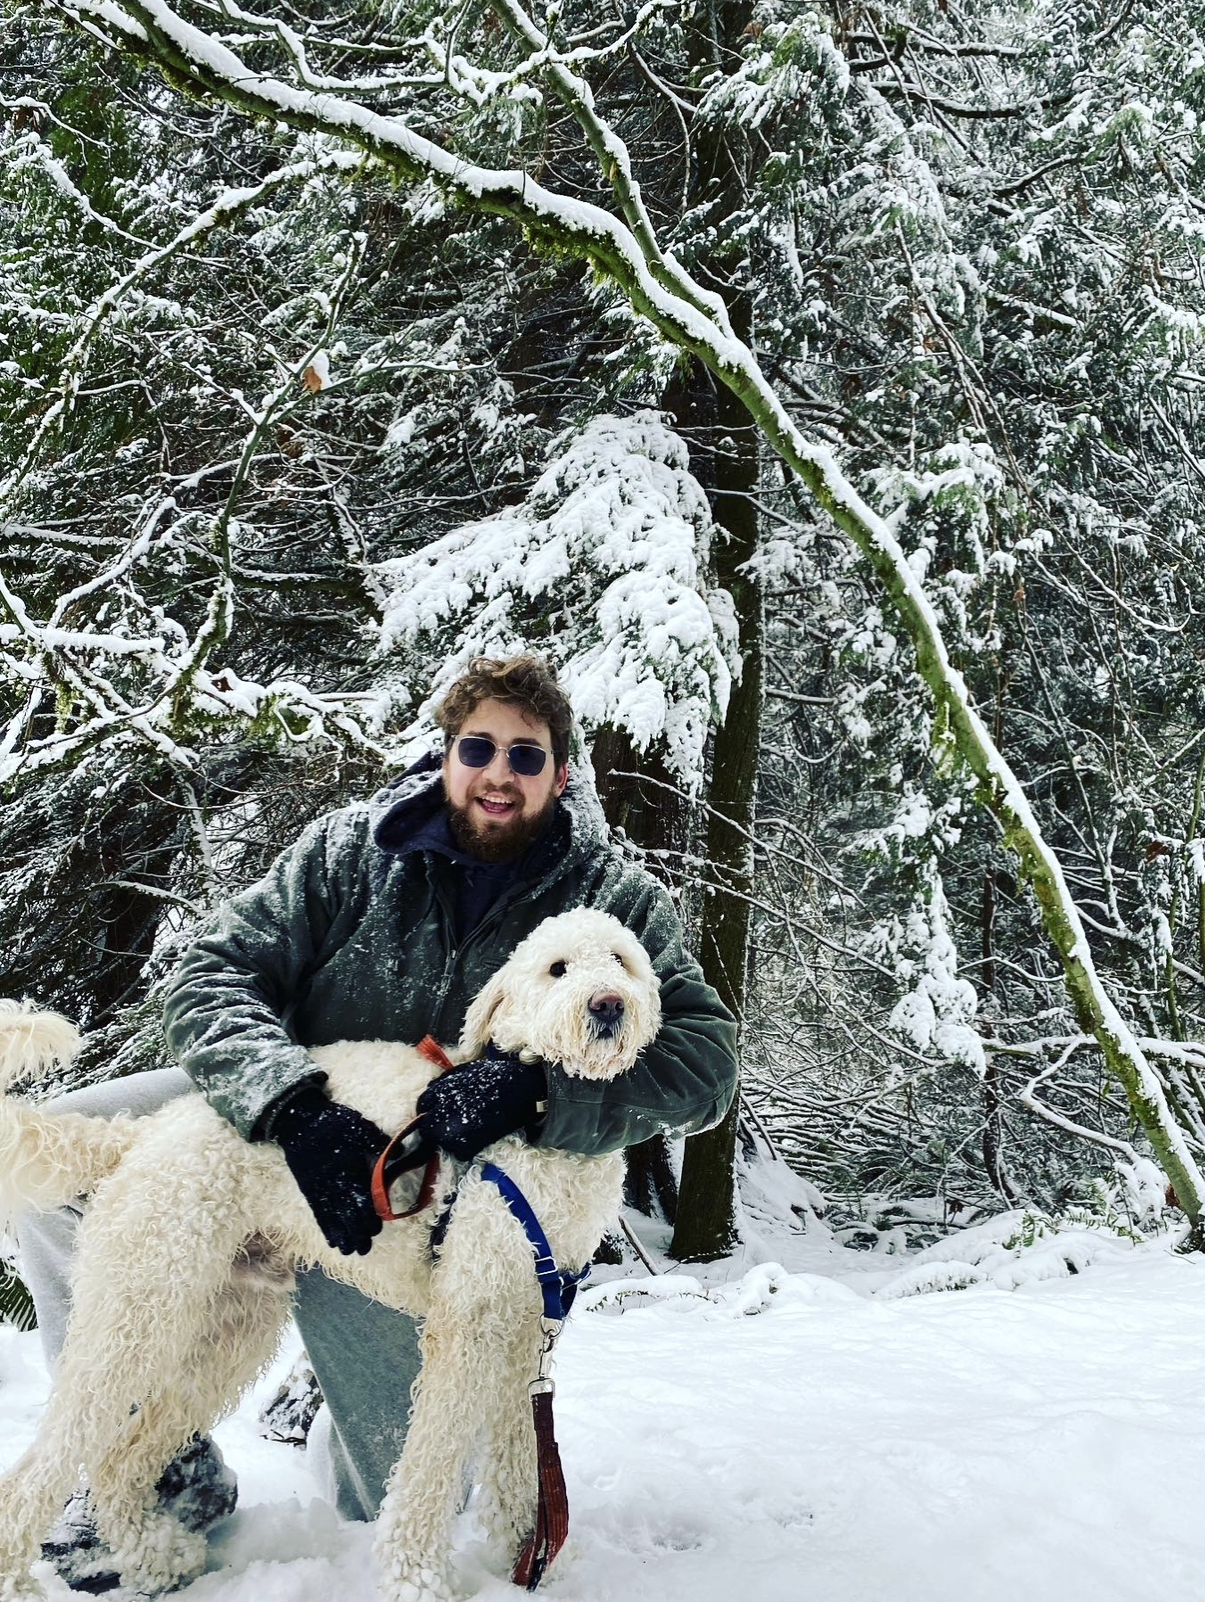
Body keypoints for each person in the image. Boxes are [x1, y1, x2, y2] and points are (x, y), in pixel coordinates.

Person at [18, 652, 738, 1589]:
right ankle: (149, 1463)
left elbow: (704, 1065)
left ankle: (322, 1387)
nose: (498, 774)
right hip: (274, 1125)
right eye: (478, 748)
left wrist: (540, 1097)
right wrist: (289, 1106)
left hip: (434, 1197)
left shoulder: (613, 897)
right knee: (69, 1157)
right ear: (446, 756)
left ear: (559, 776)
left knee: (405, 1484)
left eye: (526, 757)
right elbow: (209, 976)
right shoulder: (350, 850)